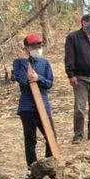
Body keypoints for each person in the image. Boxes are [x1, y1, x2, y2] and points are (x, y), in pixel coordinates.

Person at [12, 33, 55, 167]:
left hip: (43, 105)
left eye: (39, 45)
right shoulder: (18, 62)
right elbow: (21, 79)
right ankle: (33, 167)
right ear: (27, 48)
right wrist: (25, 61)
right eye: (34, 46)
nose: (37, 48)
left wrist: (39, 78)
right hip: (27, 107)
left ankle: (49, 164)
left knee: (51, 136)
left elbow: (49, 83)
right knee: (30, 140)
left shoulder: (44, 62)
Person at [64, 14, 90, 144]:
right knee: (80, 108)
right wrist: (71, 75)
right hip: (80, 78)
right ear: (84, 23)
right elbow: (69, 57)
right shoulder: (73, 38)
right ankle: (78, 134)